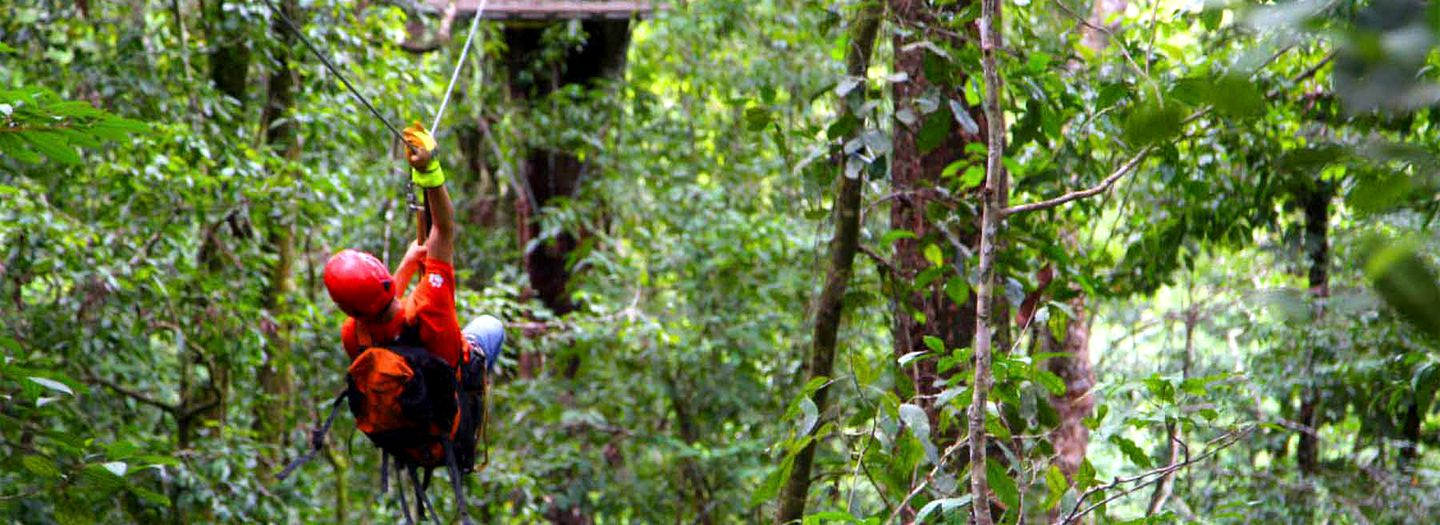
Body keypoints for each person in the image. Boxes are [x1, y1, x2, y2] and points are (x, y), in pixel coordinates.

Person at [321, 121, 502, 372]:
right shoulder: (430, 305)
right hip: (453, 387)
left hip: (409, 407)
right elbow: (443, 228)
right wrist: (429, 171)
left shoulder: (354, 337)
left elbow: (380, 312)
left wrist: (407, 264)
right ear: (383, 277)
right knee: (491, 326)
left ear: (346, 309)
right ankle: (473, 392)